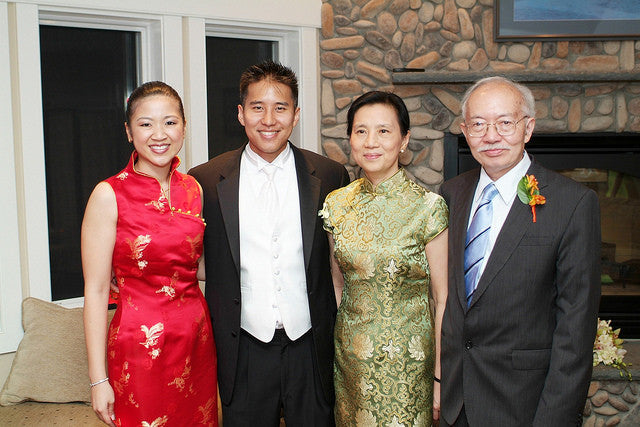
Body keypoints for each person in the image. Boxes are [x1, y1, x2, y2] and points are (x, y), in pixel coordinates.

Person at [189, 60, 350, 426]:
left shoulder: (329, 175)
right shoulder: (206, 181)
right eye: (258, 108)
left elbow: (340, 262)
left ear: (295, 115)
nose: (269, 119)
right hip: (242, 346)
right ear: (241, 113)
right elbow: (187, 254)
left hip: (310, 345)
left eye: (280, 108)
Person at [440, 76, 601, 426]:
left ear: (527, 128)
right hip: (457, 403)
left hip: (525, 405)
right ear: (465, 132)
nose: (491, 135)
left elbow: (576, 329)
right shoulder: (451, 194)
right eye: (479, 124)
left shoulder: (573, 203)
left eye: (505, 123)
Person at [82, 81, 218, 426]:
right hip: (138, 348)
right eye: (146, 124)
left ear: (184, 128)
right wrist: (99, 381)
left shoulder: (194, 189)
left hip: (196, 343)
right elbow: (96, 292)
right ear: (129, 132)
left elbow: (194, 267)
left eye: (170, 122)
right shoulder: (108, 194)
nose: (159, 134)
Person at [320, 91, 449, 426]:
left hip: (409, 368)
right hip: (351, 364)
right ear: (350, 138)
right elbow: (338, 285)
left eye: (383, 131)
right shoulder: (336, 204)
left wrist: (438, 377)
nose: (370, 142)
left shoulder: (428, 208)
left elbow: (443, 297)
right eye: (360, 131)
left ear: (404, 140)